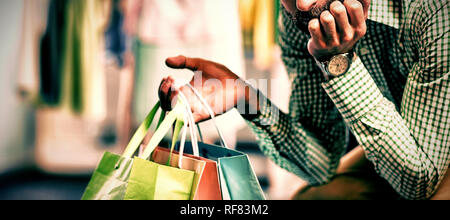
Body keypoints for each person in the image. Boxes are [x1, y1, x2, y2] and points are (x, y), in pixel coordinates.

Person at [158, 0, 450, 200]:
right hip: (407, 145)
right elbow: (321, 165)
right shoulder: (303, 20)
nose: (301, 4)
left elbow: (419, 181)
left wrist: (339, 62)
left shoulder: (433, 11)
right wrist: (245, 97)